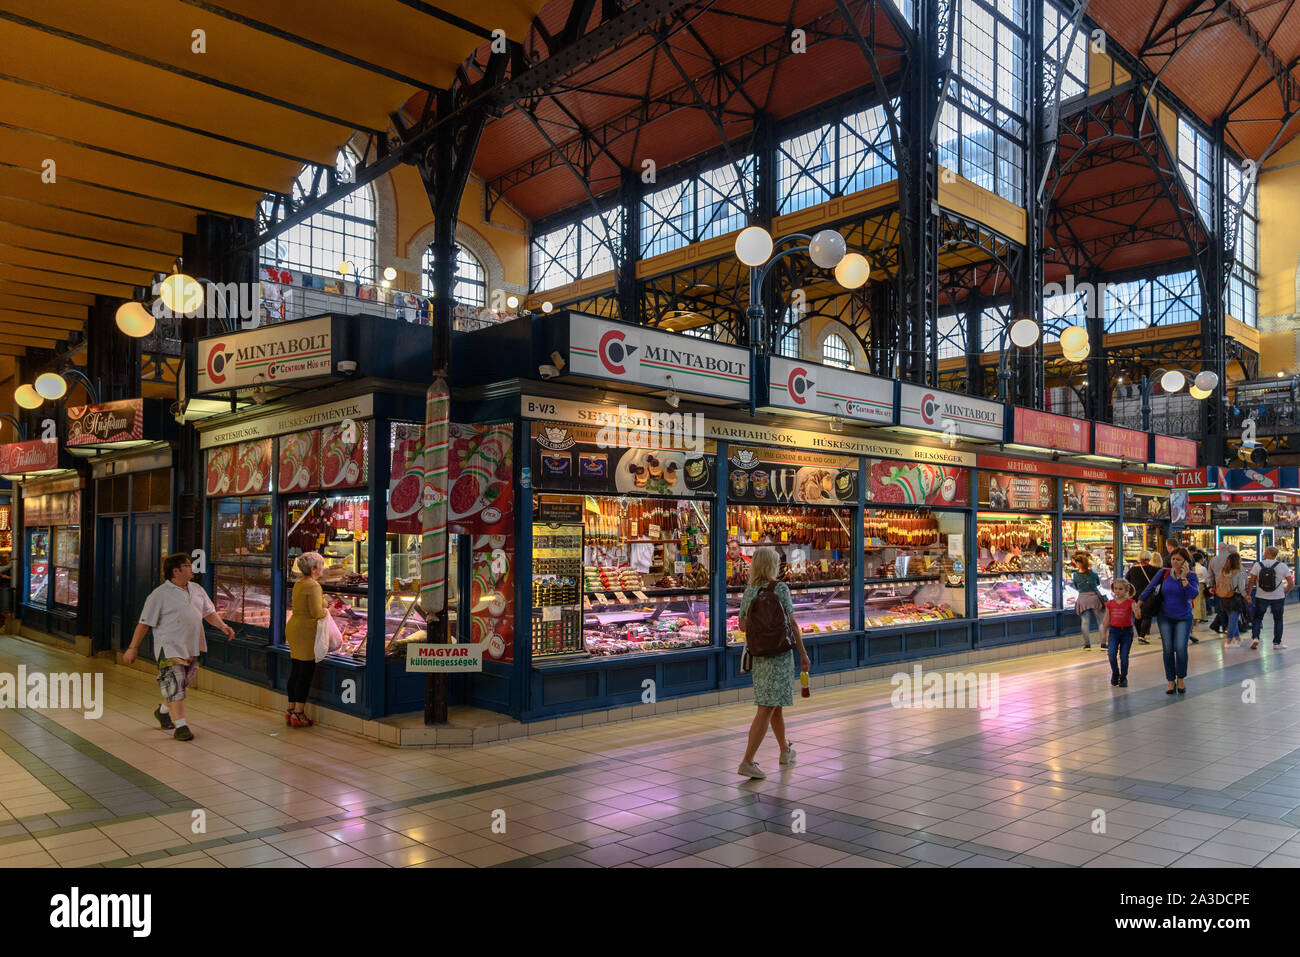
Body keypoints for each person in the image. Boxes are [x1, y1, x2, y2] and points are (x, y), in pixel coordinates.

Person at [123, 553, 235, 741]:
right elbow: (144, 623)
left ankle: (163, 710)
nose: (192, 568)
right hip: (168, 647)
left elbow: (209, 613)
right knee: (175, 683)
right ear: (176, 571)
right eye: (188, 565)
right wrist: (132, 647)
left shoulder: (197, 589)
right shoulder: (159, 595)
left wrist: (223, 626)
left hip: (192, 645)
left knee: (181, 684)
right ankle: (181, 726)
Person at [737, 546, 810, 780]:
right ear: (772, 565)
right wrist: (803, 653)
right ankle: (747, 761)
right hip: (779, 655)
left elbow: (742, 626)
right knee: (766, 708)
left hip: (760, 656)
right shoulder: (780, 588)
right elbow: (792, 624)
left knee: (774, 703)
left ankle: (784, 750)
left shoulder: (749, 591)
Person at [1140, 547, 1198, 694]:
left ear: (1185, 562)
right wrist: (1138, 604)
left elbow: (1193, 594)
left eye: (1178, 559)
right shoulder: (1163, 573)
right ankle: (1170, 681)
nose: (1175, 562)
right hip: (1165, 616)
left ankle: (1181, 679)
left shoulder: (1191, 576)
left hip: (1184, 617)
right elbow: (1150, 588)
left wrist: (1184, 578)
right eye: (1173, 559)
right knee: (1167, 649)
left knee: (1180, 648)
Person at [284, 552, 327, 727]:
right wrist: (329, 611)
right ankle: (299, 714)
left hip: (294, 628)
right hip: (306, 632)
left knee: (295, 671)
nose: (323, 568)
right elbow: (316, 612)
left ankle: (290, 709)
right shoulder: (314, 585)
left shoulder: (299, 583)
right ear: (314, 569)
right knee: (305, 674)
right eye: (322, 565)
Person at [1248, 545, 1294, 650]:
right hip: (1278, 597)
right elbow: (1290, 583)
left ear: (1267, 553)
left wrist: (1248, 594)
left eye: (1265, 551)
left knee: (1258, 618)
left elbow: (1252, 581)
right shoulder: (1282, 566)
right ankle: (1276, 643)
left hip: (1261, 596)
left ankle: (1255, 638)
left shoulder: (1258, 565)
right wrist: (1285, 592)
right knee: (1278, 620)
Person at [1102, 580, 1140, 687]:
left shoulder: (1131, 603)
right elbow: (1106, 619)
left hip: (1127, 632)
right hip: (1114, 631)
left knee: (1124, 656)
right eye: (1115, 589)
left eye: (1120, 589)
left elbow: (1137, 616)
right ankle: (1115, 673)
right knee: (1111, 654)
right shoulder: (1110, 604)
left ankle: (1123, 677)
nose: (1117, 591)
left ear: (1126, 590)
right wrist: (1103, 634)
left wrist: (1137, 612)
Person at [1216, 551, 1250, 649]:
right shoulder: (1239, 572)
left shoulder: (1224, 571)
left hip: (1224, 598)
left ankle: (1237, 638)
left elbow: (1218, 583)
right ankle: (1229, 641)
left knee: (1232, 619)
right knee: (1233, 620)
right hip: (1235, 599)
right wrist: (1247, 597)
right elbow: (1241, 588)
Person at [1071, 552, 1104, 650]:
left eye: (1076, 562)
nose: (1076, 564)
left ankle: (1087, 644)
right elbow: (1097, 583)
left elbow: (1076, 586)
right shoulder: (1093, 574)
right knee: (1101, 622)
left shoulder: (1075, 575)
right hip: (1095, 598)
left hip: (1083, 599)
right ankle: (1103, 644)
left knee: (1085, 622)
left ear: (1078, 563)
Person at [1126, 551, 1159, 645]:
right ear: (1149, 558)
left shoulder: (1132, 570)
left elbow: (1127, 581)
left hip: (1135, 595)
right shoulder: (1154, 570)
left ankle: (1140, 633)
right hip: (1148, 595)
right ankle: (1142, 635)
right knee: (1147, 615)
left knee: (1137, 615)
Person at [1207, 542, 1234, 633]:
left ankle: (1224, 627)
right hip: (1231, 587)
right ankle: (1231, 626)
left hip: (1219, 588)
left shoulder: (1213, 560)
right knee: (1232, 608)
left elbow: (1210, 575)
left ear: (1219, 549)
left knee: (1221, 608)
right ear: (1227, 548)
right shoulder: (1232, 558)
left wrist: (1211, 586)